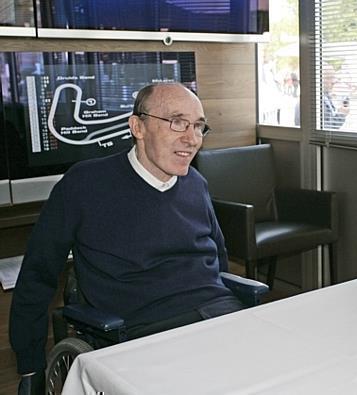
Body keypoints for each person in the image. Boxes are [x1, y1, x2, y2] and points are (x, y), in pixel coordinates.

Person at [10, 82, 245, 393]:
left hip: (218, 317)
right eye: (177, 122)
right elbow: (38, 275)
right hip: (143, 332)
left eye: (199, 126)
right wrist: (30, 365)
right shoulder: (84, 185)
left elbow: (219, 257)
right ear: (138, 127)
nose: (192, 139)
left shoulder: (196, 184)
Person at [322, 64, 349, 129]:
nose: (333, 81)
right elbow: (326, 130)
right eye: (329, 78)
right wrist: (341, 115)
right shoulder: (316, 101)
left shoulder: (326, 96)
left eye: (333, 77)